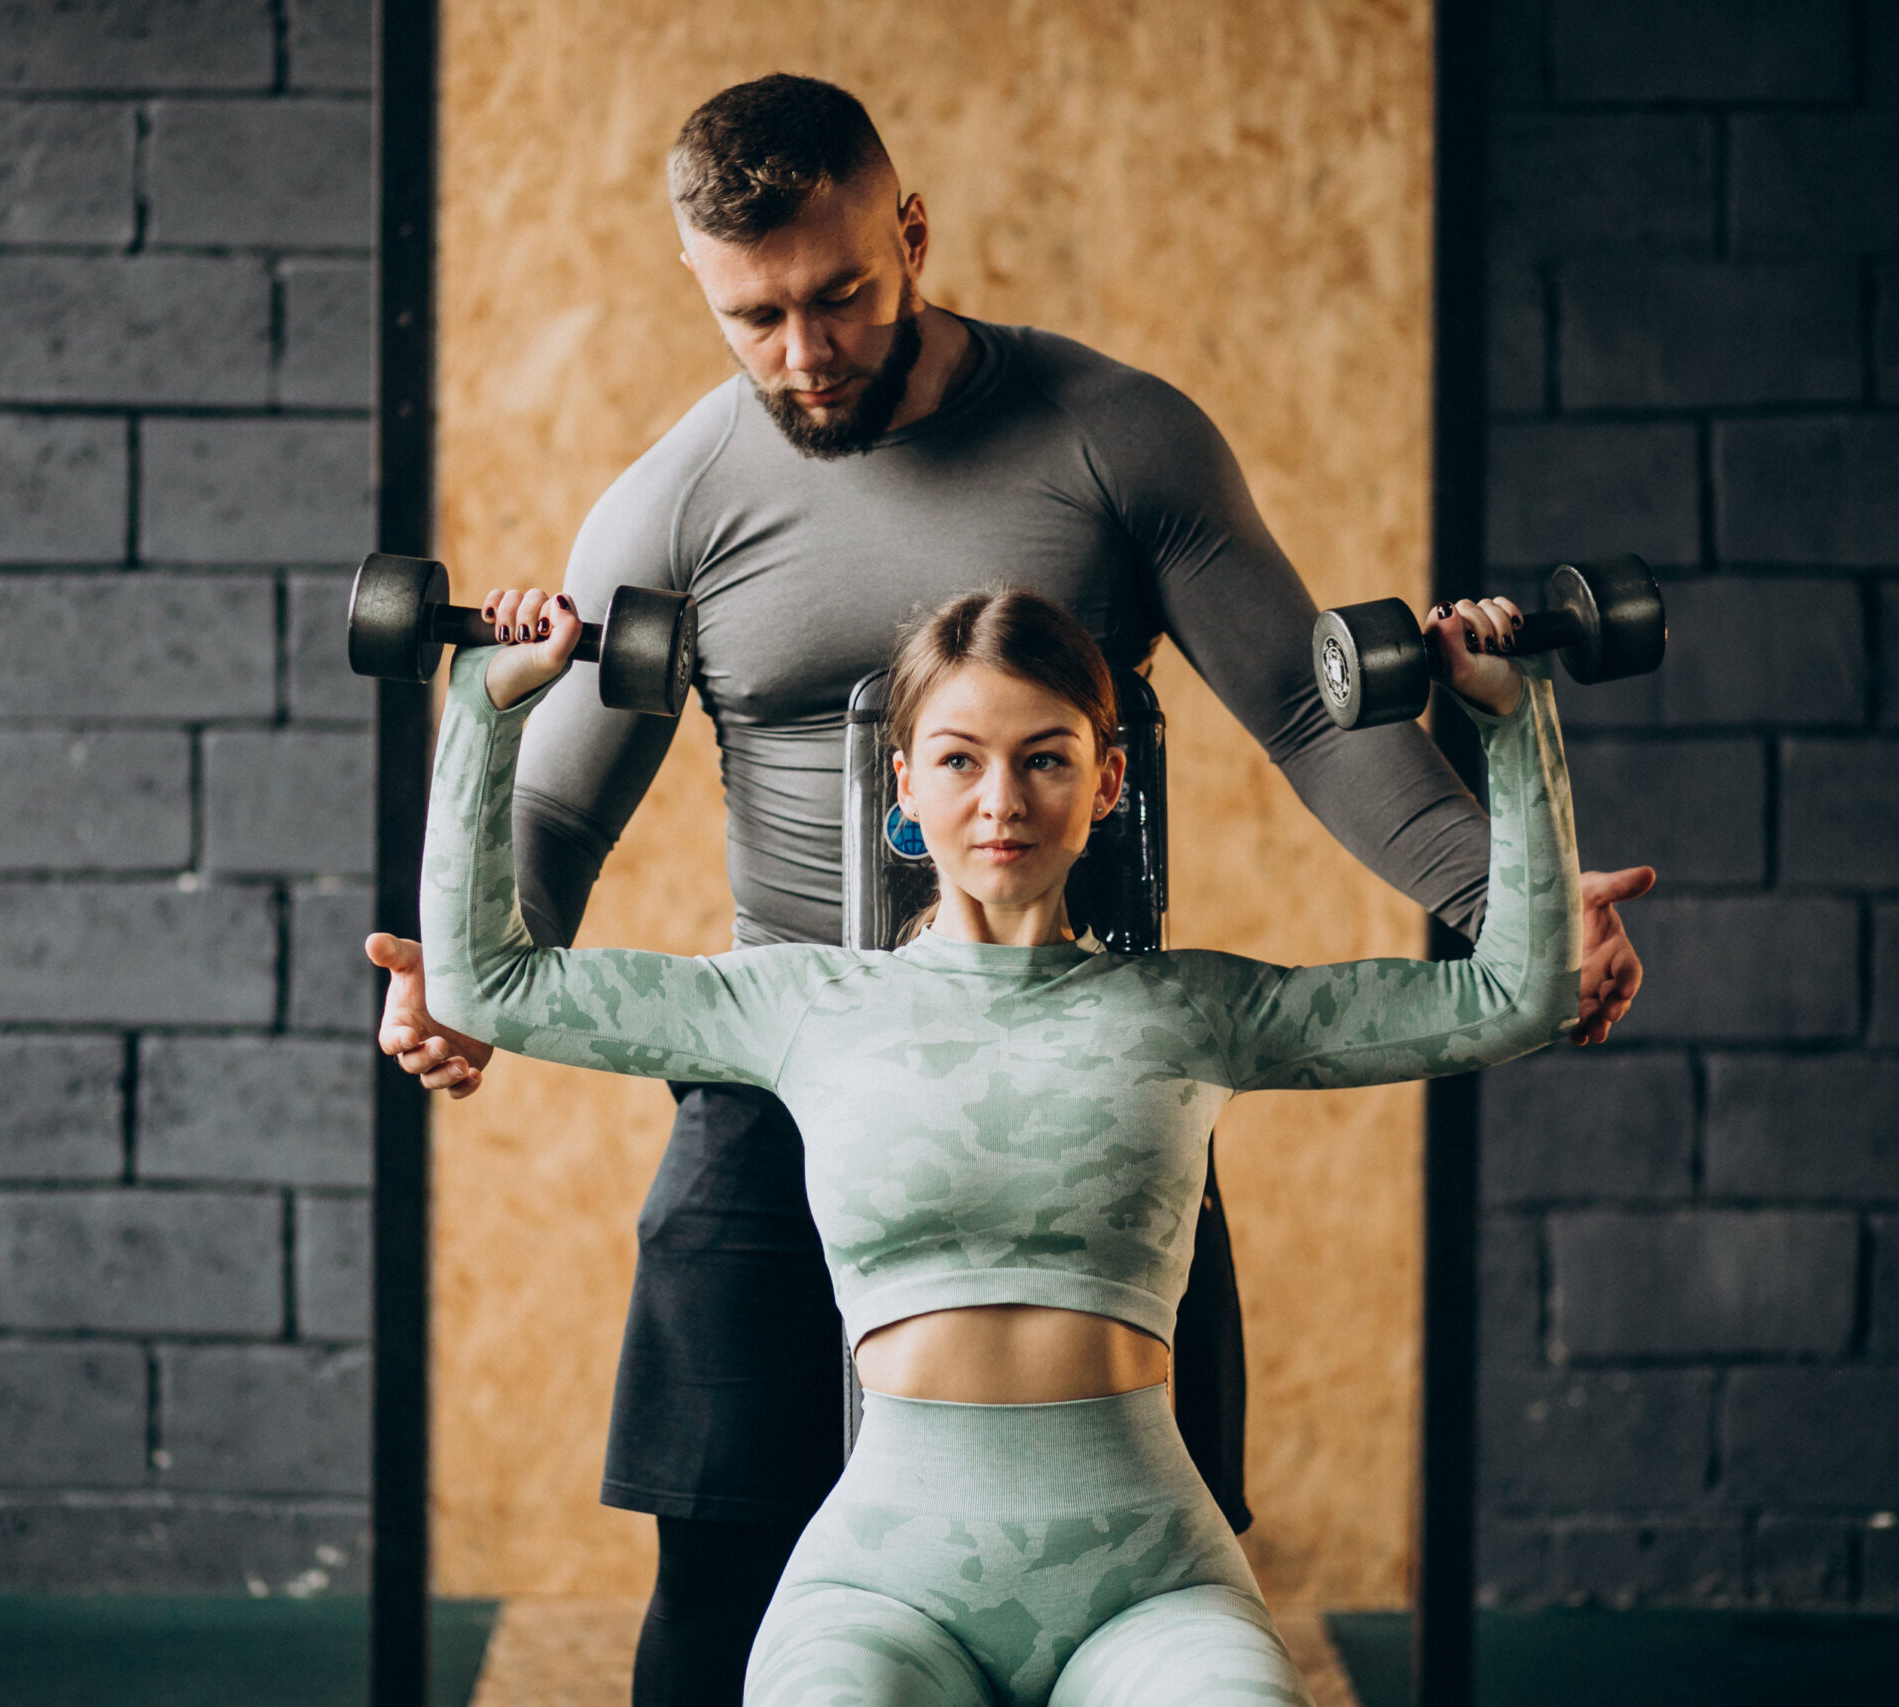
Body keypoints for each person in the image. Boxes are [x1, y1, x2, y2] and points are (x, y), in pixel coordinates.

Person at [366, 74, 1654, 1701]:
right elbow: (555, 800)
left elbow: (1305, 711)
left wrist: (1504, 897)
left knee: (1147, 1540)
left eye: (841, 294)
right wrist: (464, 975)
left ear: (911, 232)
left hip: (1082, 1057)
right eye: (755, 316)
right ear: (700, 282)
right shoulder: (676, 501)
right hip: (785, 1063)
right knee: (720, 1574)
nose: (806, 351)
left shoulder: (1118, 437)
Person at [390, 584, 1579, 1705]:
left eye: (1044, 758)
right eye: (959, 760)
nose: (1001, 800)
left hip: (1150, 1583)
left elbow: (1514, 997)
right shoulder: (798, 1004)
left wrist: (1512, 715)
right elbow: (487, 983)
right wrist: (487, 703)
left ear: (1107, 781)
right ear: (904, 785)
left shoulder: (1192, 1008)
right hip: (883, 1588)